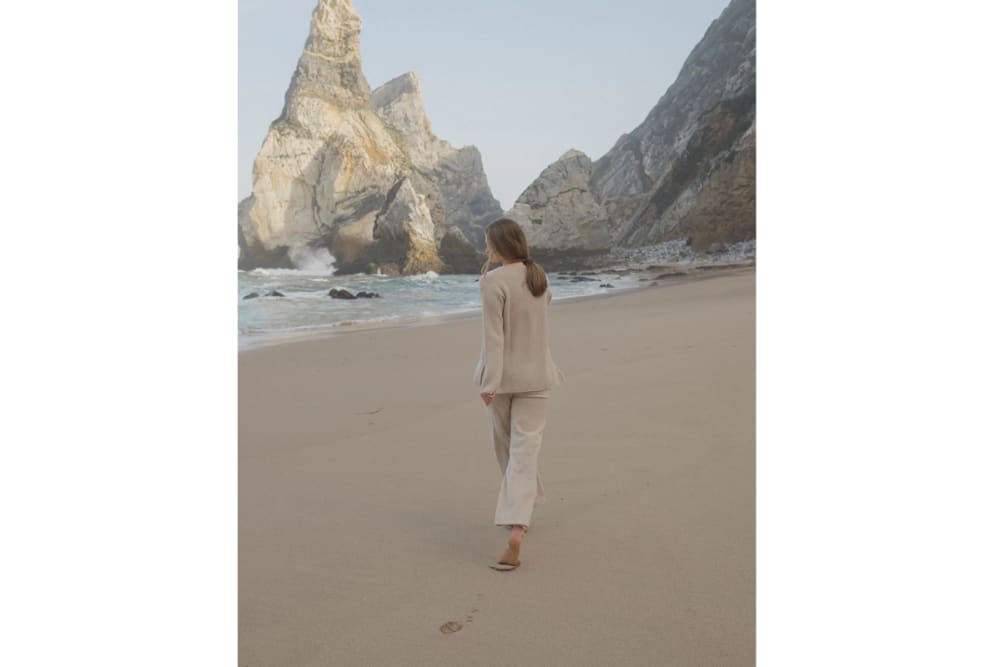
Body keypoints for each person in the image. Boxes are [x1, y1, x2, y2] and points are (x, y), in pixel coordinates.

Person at [472, 218, 567, 571]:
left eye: (488, 244)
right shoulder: (540, 280)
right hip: (540, 378)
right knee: (524, 449)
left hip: (504, 381)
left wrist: (488, 383)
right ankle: (524, 503)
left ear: (499, 246)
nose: (486, 250)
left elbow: (493, 339)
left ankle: (516, 533)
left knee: (509, 449)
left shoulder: (492, 281)